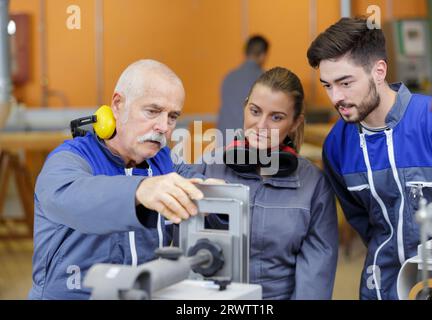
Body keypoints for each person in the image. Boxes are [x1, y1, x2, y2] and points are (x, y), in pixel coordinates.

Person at [28, 59, 216, 299]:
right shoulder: (70, 159)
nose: (163, 127)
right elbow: (71, 195)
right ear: (118, 104)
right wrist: (140, 190)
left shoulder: (162, 162)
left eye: (172, 116)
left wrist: (210, 188)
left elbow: (192, 177)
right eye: (153, 111)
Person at [307, 17, 432, 300]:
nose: (336, 97)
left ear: (379, 71)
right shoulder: (336, 146)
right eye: (327, 85)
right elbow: (362, 222)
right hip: (380, 289)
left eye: (345, 83)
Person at [192, 67, 338, 299]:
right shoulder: (208, 167)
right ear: (245, 107)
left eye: (276, 117)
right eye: (255, 111)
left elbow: (315, 278)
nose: (261, 126)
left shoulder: (314, 186)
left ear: (294, 122)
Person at [216, 35, 269, 139]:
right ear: (263, 55)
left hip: (223, 142)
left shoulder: (228, 77)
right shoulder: (265, 79)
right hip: (248, 145)